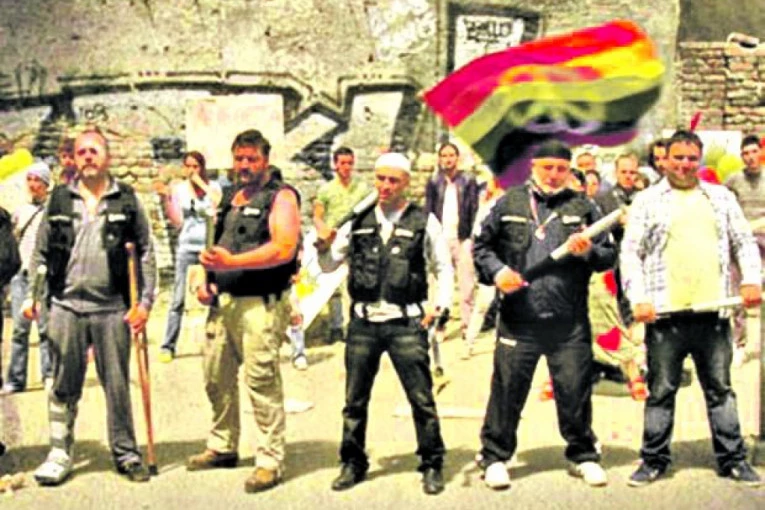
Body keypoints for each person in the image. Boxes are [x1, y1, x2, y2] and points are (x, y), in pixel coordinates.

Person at [621, 129, 762, 487]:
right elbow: (631, 253)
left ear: (699, 160)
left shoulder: (720, 197)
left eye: (691, 158)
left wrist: (751, 280)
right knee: (661, 391)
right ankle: (653, 460)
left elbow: (743, 242)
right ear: (665, 160)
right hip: (665, 315)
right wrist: (638, 298)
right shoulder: (647, 201)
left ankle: (733, 460)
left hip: (713, 314)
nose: (684, 164)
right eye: (678, 157)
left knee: (720, 390)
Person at [473, 140, 617, 490]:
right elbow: (481, 247)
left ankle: (583, 455)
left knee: (574, 390)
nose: (553, 175)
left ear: (569, 171)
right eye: (547, 167)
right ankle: (495, 457)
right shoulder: (507, 203)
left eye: (561, 169)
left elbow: (608, 256)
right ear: (533, 166)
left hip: (569, 321)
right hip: (519, 318)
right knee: (507, 390)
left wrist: (588, 252)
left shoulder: (584, 206)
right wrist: (497, 272)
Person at [28, 127, 156, 485]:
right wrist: (37, 298)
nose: (87, 157)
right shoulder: (59, 200)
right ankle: (59, 452)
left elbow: (146, 251)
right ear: (74, 158)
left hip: (112, 308)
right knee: (63, 382)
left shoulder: (126, 201)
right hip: (65, 306)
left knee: (117, 385)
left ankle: (126, 453)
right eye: (81, 151)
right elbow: (39, 253)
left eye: (94, 151)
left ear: (107, 157)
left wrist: (145, 303)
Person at [327, 152, 453, 495]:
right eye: (380, 178)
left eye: (393, 180)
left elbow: (443, 266)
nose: (385, 186)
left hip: (405, 323)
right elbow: (329, 262)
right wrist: (323, 242)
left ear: (406, 183)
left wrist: (441, 305)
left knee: (421, 399)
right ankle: (353, 462)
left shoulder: (423, 221)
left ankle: (432, 462)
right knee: (354, 401)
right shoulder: (358, 219)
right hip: (363, 324)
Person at [186, 129, 301, 494]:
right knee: (215, 377)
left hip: (260, 305)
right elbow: (214, 247)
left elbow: (283, 247)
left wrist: (233, 262)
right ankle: (223, 445)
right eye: (239, 158)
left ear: (265, 160)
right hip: (223, 303)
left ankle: (269, 461)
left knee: (261, 381)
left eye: (252, 159)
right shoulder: (228, 197)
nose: (245, 165)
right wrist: (207, 280)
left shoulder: (281, 197)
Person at [158, 151, 222, 362]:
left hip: (208, 247)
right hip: (186, 246)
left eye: (196, 166)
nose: (192, 170)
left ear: (202, 168)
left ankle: (220, 340)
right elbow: (177, 221)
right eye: (188, 166)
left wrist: (201, 184)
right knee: (178, 298)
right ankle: (168, 345)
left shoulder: (214, 187)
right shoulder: (179, 189)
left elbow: (217, 204)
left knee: (215, 293)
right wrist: (167, 199)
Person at [2, 161, 53, 393]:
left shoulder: (52, 212)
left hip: (42, 276)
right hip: (20, 276)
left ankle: (48, 374)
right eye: (30, 179)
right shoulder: (19, 212)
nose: (33, 184)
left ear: (46, 184)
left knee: (45, 328)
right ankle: (16, 379)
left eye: (37, 180)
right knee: (19, 329)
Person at [312, 147, 370, 343]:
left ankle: (354, 326)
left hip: (357, 241)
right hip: (334, 241)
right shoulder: (326, 190)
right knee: (333, 287)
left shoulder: (362, 189)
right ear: (335, 165)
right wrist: (324, 232)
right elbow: (317, 216)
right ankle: (336, 326)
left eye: (349, 163)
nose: (346, 167)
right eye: (342, 163)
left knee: (355, 284)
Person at [424, 142, 478, 344]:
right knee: (440, 286)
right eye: (444, 155)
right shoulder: (433, 182)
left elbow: (473, 208)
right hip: (440, 238)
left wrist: (472, 236)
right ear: (439, 159)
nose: (448, 159)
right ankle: (440, 324)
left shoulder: (468, 180)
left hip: (463, 237)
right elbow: (428, 210)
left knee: (467, 285)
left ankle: (467, 326)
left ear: (457, 158)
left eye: (451, 155)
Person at [725, 134, 765, 366]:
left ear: (761, 153)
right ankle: (739, 343)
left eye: (753, 152)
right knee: (738, 294)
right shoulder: (733, 180)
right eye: (745, 153)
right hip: (741, 243)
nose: (750, 157)